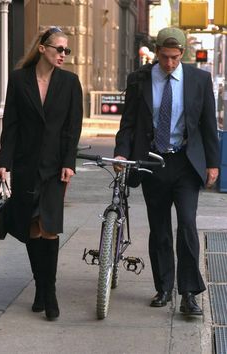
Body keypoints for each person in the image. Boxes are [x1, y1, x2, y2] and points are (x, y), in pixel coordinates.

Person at [114, 27, 219, 315]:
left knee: (187, 224)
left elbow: (209, 124)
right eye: (164, 57)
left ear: (182, 54)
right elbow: (129, 122)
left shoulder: (199, 79)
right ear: (156, 52)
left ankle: (188, 293)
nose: (169, 63)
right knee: (159, 228)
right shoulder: (140, 79)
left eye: (174, 58)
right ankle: (163, 288)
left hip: (185, 163)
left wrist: (213, 163)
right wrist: (121, 151)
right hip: (152, 162)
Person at [0, 27, 83, 321]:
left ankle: (51, 291)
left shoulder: (70, 82)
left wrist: (69, 162)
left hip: (56, 168)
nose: (63, 55)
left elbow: (72, 128)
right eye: (59, 49)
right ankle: (40, 287)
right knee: (32, 228)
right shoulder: (20, 80)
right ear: (42, 48)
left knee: (49, 227)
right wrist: (3, 161)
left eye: (66, 50)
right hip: (25, 165)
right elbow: (12, 124)